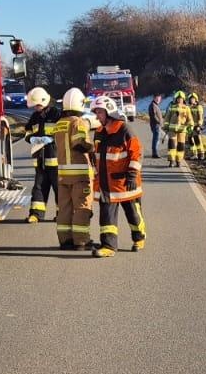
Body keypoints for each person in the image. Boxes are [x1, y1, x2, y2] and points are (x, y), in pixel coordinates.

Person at [91, 96, 146, 255]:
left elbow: (137, 154)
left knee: (133, 215)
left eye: (99, 112)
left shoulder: (124, 130)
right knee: (106, 217)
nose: (97, 116)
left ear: (109, 112)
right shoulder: (99, 132)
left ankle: (139, 238)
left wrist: (131, 175)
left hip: (125, 183)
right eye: (96, 112)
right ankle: (108, 246)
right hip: (106, 185)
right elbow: (98, 158)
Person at [48, 87, 96, 249]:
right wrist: (93, 148)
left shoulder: (59, 124)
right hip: (79, 175)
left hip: (62, 174)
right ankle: (81, 241)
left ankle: (65, 240)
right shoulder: (78, 122)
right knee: (82, 207)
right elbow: (79, 143)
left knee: (64, 208)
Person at [19, 86, 60, 222]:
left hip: (55, 159)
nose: (35, 108)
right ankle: (36, 214)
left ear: (43, 102)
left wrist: (51, 139)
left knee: (59, 188)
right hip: (40, 160)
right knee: (38, 188)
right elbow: (28, 132)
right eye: (34, 106)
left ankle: (62, 215)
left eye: (37, 105)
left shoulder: (56, 114)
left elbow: (61, 133)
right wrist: (31, 138)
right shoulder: (35, 117)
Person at [163, 89, 191, 167]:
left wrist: (190, 126)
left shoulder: (187, 108)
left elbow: (190, 119)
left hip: (182, 130)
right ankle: (171, 161)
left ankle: (179, 161)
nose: (179, 100)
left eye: (181, 98)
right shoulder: (172, 107)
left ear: (183, 99)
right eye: (178, 98)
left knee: (181, 146)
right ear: (176, 99)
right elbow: (167, 118)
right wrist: (166, 126)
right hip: (172, 130)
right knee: (171, 145)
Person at [147, 93, 163, 158]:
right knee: (156, 139)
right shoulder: (153, 105)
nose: (158, 100)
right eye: (157, 98)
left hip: (156, 124)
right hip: (155, 125)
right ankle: (155, 153)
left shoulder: (155, 105)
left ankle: (155, 152)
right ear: (154, 98)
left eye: (159, 99)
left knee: (156, 139)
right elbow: (153, 116)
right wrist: (159, 122)